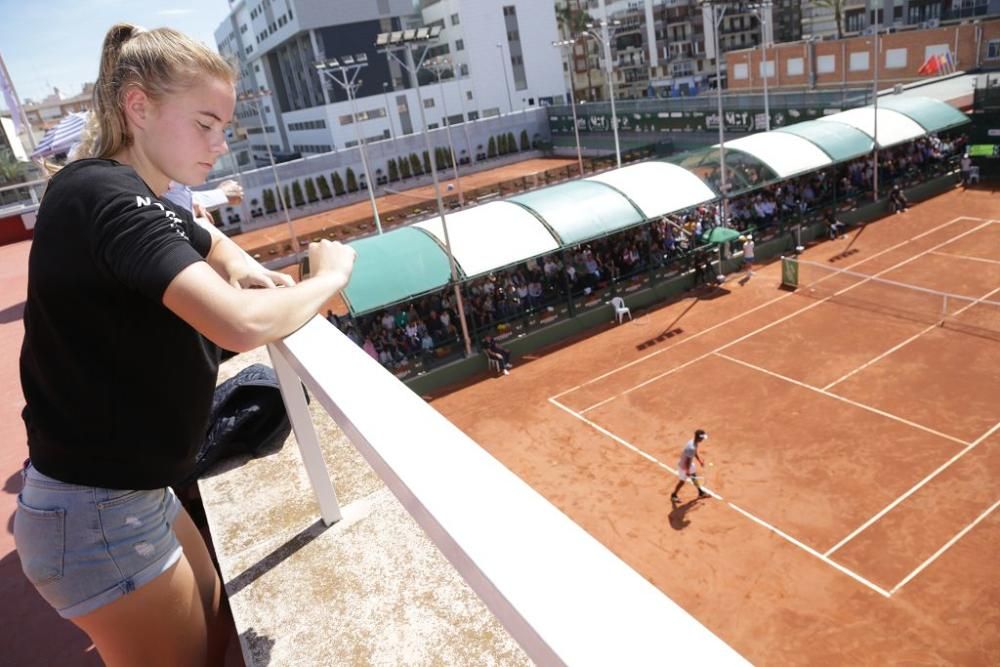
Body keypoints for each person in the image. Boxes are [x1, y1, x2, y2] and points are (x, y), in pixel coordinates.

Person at [15, 23, 356, 667]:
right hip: (97, 513)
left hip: (127, 492)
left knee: (220, 627)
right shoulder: (106, 198)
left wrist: (244, 265)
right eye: (204, 124)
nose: (219, 146)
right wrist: (329, 277)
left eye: (223, 128)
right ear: (138, 106)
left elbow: (201, 236)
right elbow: (240, 325)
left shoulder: (122, 190)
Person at [671, 429, 710, 504]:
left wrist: (699, 460)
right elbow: (687, 461)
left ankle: (701, 493)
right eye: (702, 438)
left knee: (694, 477)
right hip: (684, 466)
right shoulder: (691, 448)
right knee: (682, 482)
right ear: (699, 438)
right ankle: (673, 495)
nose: (703, 439)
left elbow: (694, 452)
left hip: (688, 465)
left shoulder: (693, 442)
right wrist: (687, 471)